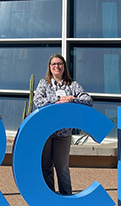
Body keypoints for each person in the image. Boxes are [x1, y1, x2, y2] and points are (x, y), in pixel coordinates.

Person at [32, 54, 93, 195]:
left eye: (59, 64)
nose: (56, 66)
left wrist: (71, 100)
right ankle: (49, 197)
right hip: (46, 132)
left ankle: (67, 198)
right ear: (49, 67)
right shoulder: (44, 83)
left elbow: (88, 100)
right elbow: (38, 101)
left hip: (63, 133)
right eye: (53, 64)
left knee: (62, 167)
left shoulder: (72, 85)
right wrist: (58, 98)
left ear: (64, 66)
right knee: (45, 166)